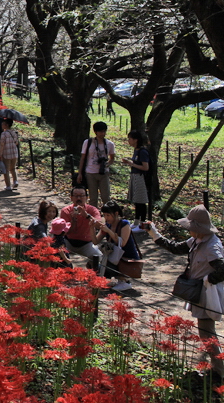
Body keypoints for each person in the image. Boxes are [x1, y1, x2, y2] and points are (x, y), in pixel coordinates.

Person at [146, 205, 224, 377]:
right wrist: (153, 232)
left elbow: (222, 270)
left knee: (207, 333)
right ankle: (217, 369)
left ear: (198, 228)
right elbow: (174, 247)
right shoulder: (197, 240)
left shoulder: (211, 246)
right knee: (206, 332)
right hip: (200, 292)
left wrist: (207, 279)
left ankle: (219, 371)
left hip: (208, 294)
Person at [94, 200, 140, 291]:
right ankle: (117, 279)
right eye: (104, 215)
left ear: (116, 213)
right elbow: (95, 241)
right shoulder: (107, 225)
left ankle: (124, 281)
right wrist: (91, 227)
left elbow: (122, 243)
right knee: (93, 261)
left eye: (108, 215)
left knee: (107, 264)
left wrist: (109, 231)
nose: (106, 218)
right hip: (114, 258)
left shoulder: (124, 224)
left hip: (127, 259)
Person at [60, 186, 103, 264]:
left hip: (86, 243)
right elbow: (63, 232)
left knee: (98, 256)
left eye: (82, 196)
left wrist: (87, 216)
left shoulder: (92, 210)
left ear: (86, 198)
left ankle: (91, 270)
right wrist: (73, 222)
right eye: (76, 196)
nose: (79, 198)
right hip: (69, 242)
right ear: (71, 198)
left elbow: (100, 225)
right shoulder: (65, 211)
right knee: (55, 251)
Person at [77, 121, 115, 207]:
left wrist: (106, 164)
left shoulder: (109, 144)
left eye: (104, 131)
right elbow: (83, 158)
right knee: (93, 198)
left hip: (103, 173)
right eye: (101, 131)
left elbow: (112, 159)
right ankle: (93, 217)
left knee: (106, 197)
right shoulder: (88, 142)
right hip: (90, 172)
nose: (103, 133)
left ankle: (108, 216)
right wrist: (80, 173)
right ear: (95, 132)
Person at [121, 130, 150, 229]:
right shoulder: (136, 151)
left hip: (140, 177)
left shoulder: (143, 151)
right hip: (134, 176)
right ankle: (136, 221)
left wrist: (131, 163)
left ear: (136, 140)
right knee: (137, 200)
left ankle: (142, 222)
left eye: (130, 139)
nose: (128, 141)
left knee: (141, 201)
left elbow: (145, 167)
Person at [0, 118, 19, 190]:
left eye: (3, 124)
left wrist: (0, 155)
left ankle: (8, 186)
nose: (1, 125)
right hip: (14, 152)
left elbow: (2, 144)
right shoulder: (14, 133)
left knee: (6, 170)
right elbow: (16, 142)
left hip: (6, 153)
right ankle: (15, 181)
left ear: (6, 125)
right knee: (13, 168)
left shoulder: (3, 134)